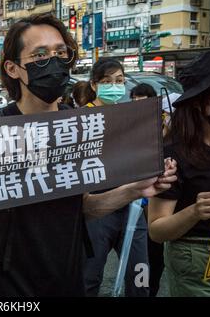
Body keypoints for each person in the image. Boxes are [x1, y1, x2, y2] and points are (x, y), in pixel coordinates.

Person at [0, 13, 177, 297]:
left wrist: (134, 189)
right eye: (41, 55)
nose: (55, 62)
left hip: (70, 284)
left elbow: (83, 206)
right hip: (8, 290)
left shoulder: (77, 125)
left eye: (61, 53)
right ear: (13, 68)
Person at [148, 50, 210, 297]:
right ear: (200, 101)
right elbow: (156, 230)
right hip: (197, 259)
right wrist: (194, 212)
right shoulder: (174, 154)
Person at [81, 57, 150, 297]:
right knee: (89, 278)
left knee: (140, 277)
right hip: (96, 208)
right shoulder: (81, 119)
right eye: (107, 81)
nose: (114, 86)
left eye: (119, 81)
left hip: (133, 207)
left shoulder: (130, 116)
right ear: (93, 85)